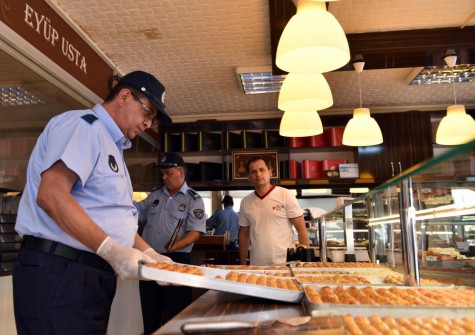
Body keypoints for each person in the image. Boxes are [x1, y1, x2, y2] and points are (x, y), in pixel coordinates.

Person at [13, 71, 173, 335]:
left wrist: (150, 255)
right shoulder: (84, 126)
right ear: (124, 96)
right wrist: (111, 250)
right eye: (148, 112)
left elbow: (107, 218)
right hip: (60, 272)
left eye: (152, 119)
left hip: (87, 274)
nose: (148, 124)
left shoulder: (112, 145)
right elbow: (52, 195)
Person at [136, 152, 206, 334]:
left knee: (177, 314)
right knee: (150, 313)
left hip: (177, 261)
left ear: (181, 173)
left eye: (168, 173)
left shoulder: (193, 199)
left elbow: (195, 232)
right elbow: (135, 213)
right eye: (163, 174)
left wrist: (177, 246)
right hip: (150, 260)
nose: (164, 177)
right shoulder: (154, 196)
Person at [238, 156, 310, 266]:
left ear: (270, 172)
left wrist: (305, 263)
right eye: (253, 172)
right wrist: (243, 264)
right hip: (257, 265)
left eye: (262, 170)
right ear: (249, 177)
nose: (258, 174)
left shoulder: (285, 194)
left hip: (285, 263)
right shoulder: (245, 202)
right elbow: (244, 234)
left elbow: (301, 228)